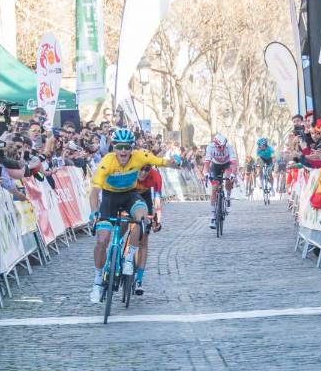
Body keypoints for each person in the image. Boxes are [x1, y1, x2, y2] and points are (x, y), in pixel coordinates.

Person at [88, 128, 180, 303]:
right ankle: (98, 280)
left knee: (141, 217)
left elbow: (162, 162)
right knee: (102, 240)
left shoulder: (141, 156)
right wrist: (94, 213)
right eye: (119, 147)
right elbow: (94, 192)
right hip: (109, 198)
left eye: (127, 147)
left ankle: (130, 256)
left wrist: (175, 162)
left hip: (130, 195)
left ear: (132, 148)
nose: (123, 151)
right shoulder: (107, 162)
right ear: (113, 147)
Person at [133, 164, 163, 294]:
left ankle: (139, 279)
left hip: (145, 198)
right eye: (141, 169)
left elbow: (157, 201)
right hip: (129, 195)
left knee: (143, 241)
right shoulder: (129, 171)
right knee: (122, 223)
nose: (144, 172)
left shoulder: (155, 175)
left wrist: (157, 220)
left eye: (147, 169)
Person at [202, 134, 238, 228]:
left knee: (229, 178)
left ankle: (228, 198)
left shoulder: (229, 147)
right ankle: (213, 216)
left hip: (227, 165)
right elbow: (206, 164)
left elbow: (234, 163)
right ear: (215, 145)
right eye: (219, 147)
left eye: (223, 146)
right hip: (215, 166)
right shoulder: (210, 147)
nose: (221, 148)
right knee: (214, 188)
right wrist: (205, 173)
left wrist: (233, 174)